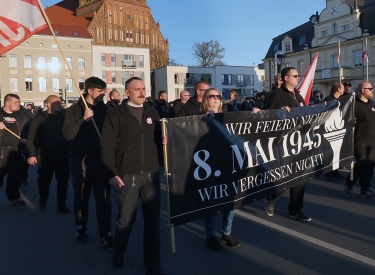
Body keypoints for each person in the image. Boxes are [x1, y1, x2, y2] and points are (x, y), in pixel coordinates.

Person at [101, 77, 167, 275]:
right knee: (126, 220)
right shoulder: (115, 114)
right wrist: (112, 173)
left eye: (144, 89)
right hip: (126, 176)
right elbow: (107, 146)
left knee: (153, 220)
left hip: (150, 174)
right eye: (137, 89)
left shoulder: (152, 111)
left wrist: (164, 139)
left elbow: (158, 137)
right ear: (127, 92)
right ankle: (119, 252)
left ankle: (153, 264)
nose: (142, 92)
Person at [63, 76, 113, 249]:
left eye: (104, 91)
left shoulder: (106, 110)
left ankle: (105, 234)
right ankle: (81, 228)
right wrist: (83, 119)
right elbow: (68, 134)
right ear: (89, 91)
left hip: (101, 161)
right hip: (80, 160)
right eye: (100, 91)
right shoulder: (74, 110)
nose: (103, 95)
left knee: (104, 199)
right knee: (82, 198)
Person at [265, 67, 311, 221]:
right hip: (283, 143)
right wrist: (280, 112)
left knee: (300, 177)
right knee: (285, 178)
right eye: (295, 76)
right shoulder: (277, 94)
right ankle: (272, 196)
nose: (299, 78)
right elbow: (267, 116)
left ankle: (295, 209)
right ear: (286, 78)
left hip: (298, 141)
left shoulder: (297, 95)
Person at [200, 88, 242, 251]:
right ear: (205, 99)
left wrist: (257, 112)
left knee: (230, 200)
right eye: (212, 96)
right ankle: (210, 236)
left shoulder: (229, 114)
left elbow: (248, 121)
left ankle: (227, 233)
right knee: (211, 201)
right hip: (209, 166)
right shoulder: (197, 119)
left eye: (218, 96)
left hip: (228, 163)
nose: (216, 98)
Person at [26, 95, 71, 213]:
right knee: (44, 180)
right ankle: (43, 199)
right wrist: (31, 154)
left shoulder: (65, 117)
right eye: (56, 103)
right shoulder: (39, 118)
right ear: (47, 104)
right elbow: (31, 137)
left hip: (63, 154)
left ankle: (62, 203)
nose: (59, 104)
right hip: (45, 155)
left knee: (63, 180)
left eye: (60, 103)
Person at [344, 81, 375, 198]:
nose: (372, 90)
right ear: (363, 90)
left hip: (372, 141)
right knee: (362, 164)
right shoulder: (353, 104)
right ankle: (348, 183)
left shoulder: (372, 104)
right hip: (359, 140)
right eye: (370, 88)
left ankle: (365, 188)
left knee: (370, 165)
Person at [0, 94, 32, 205]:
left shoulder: (21, 115)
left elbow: (30, 127)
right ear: (7, 103)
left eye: (19, 102)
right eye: (16, 102)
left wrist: (26, 139)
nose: (19, 104)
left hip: (16, 150)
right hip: (2, 150)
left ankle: (14, 197)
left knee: (15, 175)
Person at [323, 82, 345, 181]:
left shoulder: (341, 99)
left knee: (337, 152)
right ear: (338, 89)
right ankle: (328, 172)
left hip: (338, 128)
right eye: (343, 88)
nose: (344, 90)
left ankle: (335, 171)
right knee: (330, 152)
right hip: (330, 129)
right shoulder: (328, 100)